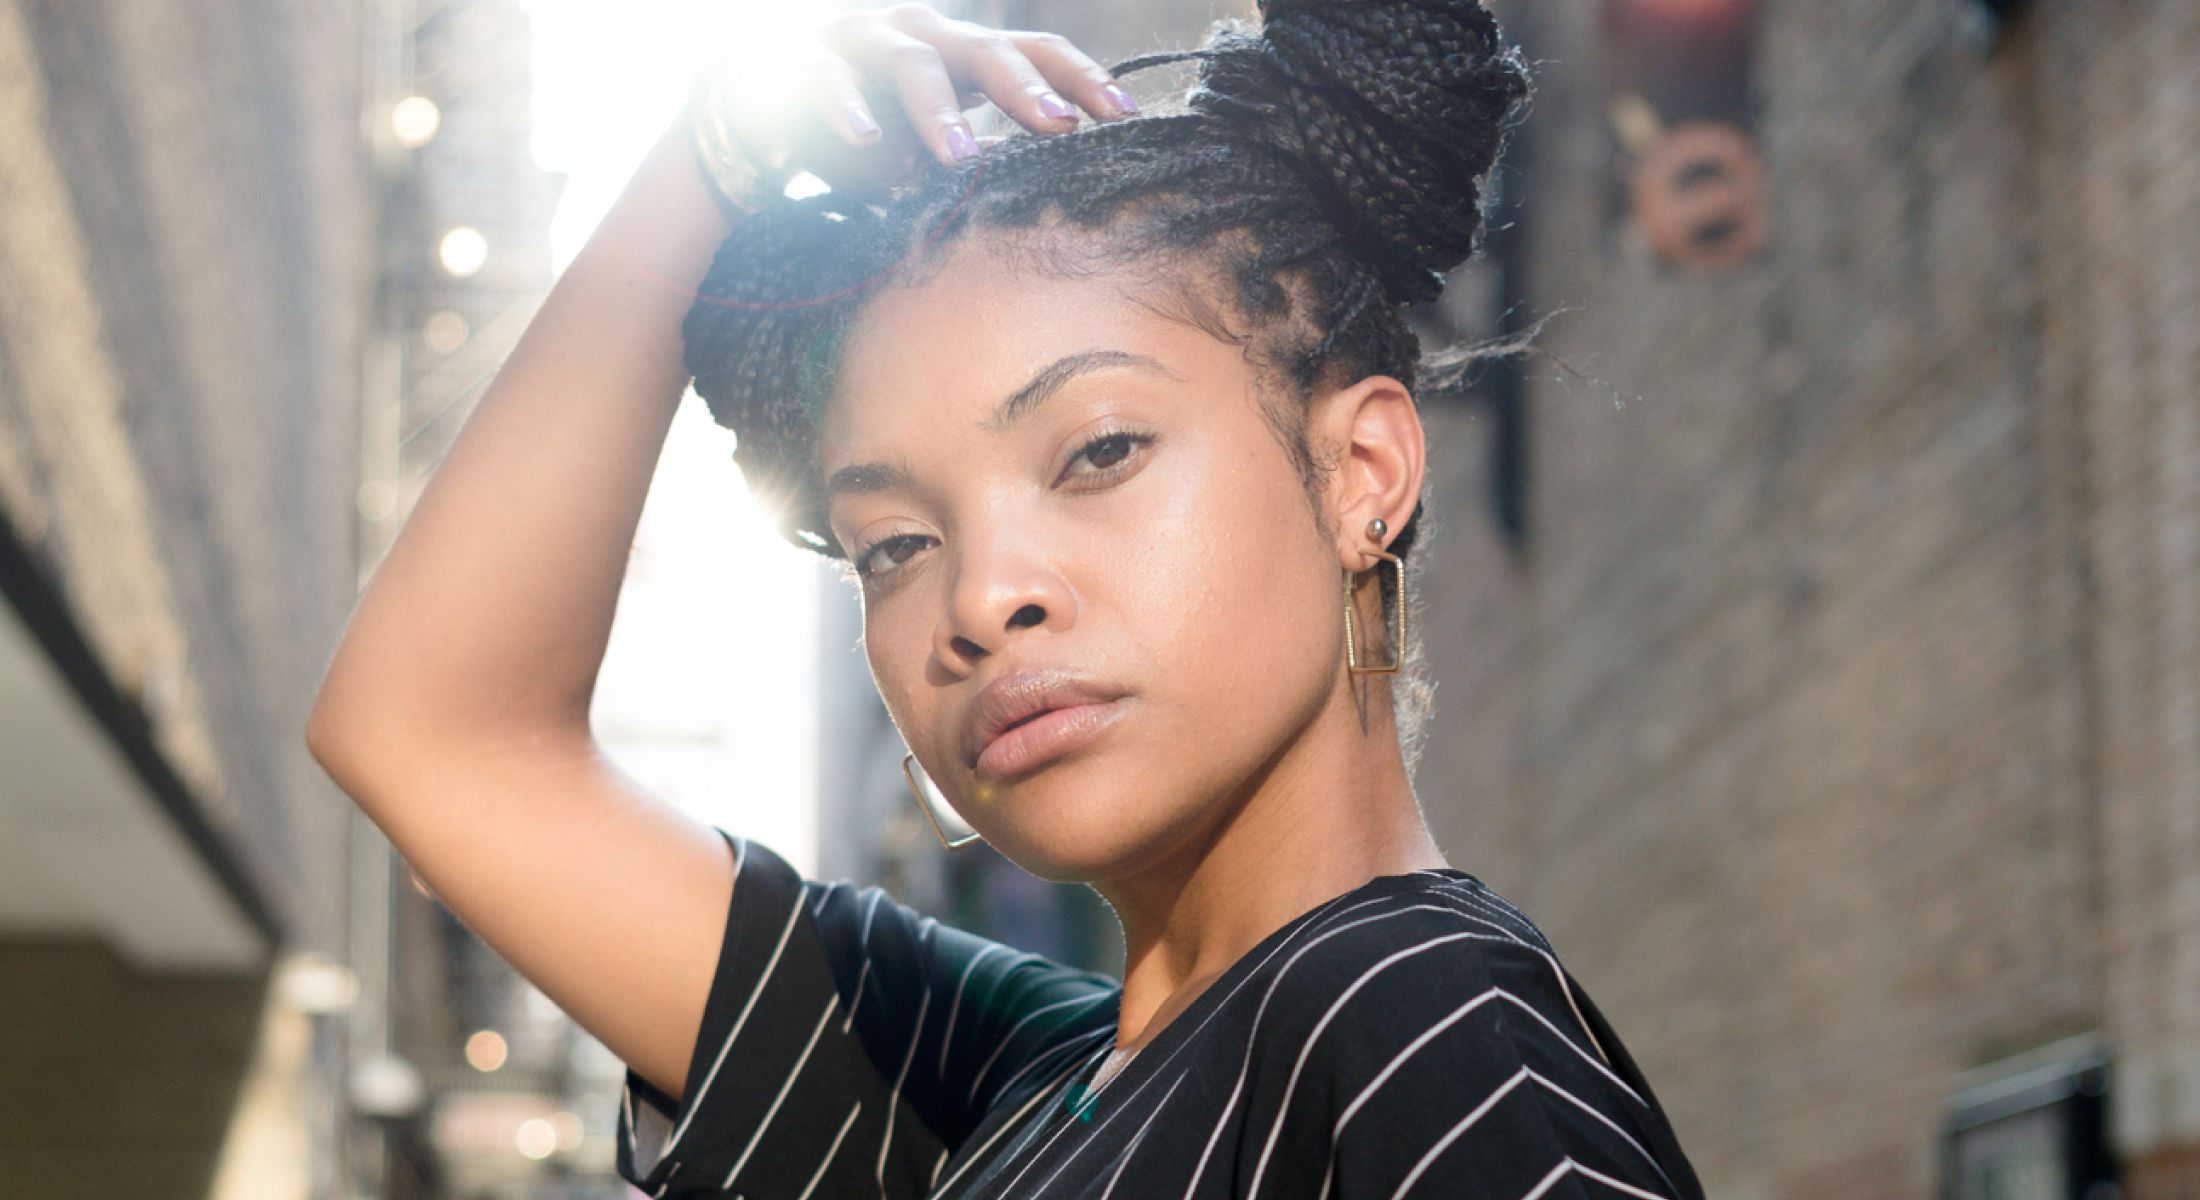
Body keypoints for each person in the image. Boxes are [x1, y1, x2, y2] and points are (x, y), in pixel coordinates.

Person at [305, 1, 1708, 1197]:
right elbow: (435, 739)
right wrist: (712, 151)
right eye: (894, 546)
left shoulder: (1416, 1021)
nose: (982, 598)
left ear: (1360, 470)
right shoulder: (997, 1089)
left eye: (1098, 452)